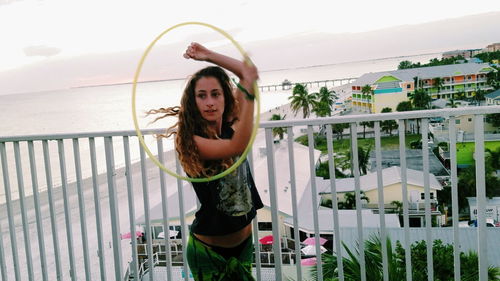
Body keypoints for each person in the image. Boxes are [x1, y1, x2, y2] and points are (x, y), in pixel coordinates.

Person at [147, 42, 263, 281]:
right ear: (194, 103)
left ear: (224, 98)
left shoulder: (229, 122)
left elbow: (246, 72)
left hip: (243, 247)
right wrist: (250, 95)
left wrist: (208, 56)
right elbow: (237, 146)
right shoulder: (193, 141)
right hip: (209, 252)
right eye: (202, 96)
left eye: (215, 94)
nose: (210, 102)